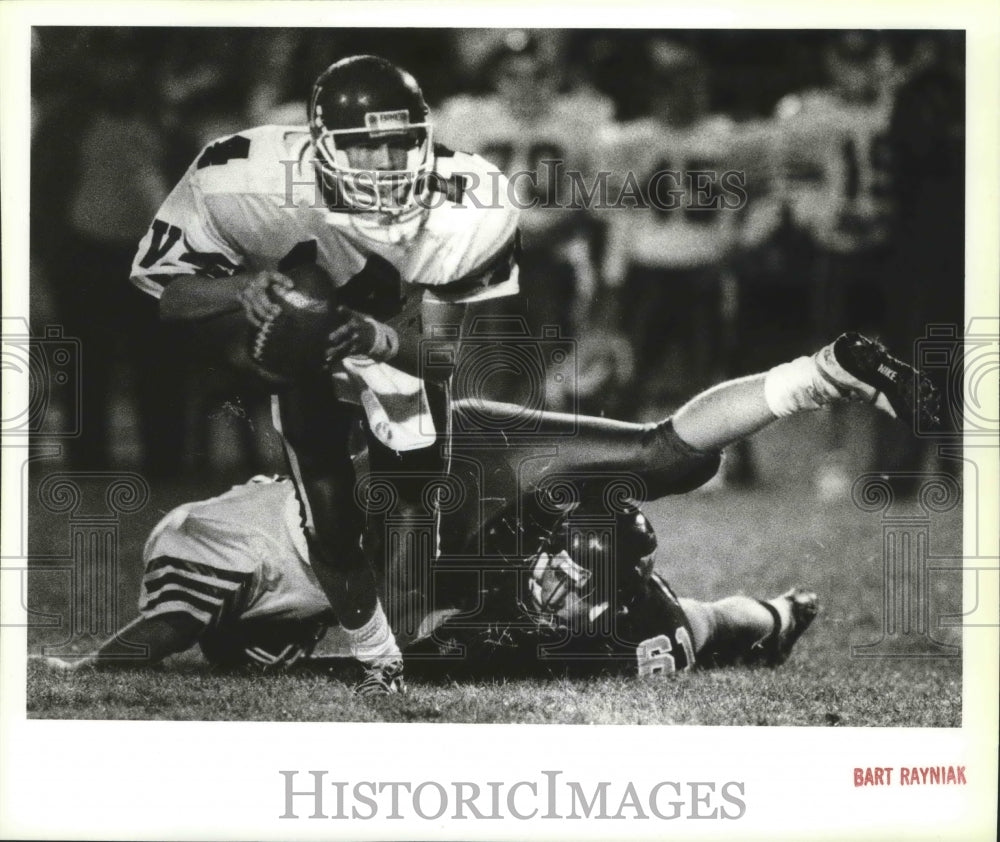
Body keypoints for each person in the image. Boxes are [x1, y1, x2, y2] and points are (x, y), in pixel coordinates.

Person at [42, 331, 938, 680]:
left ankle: (823, 378)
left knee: (535, 635)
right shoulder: (599, 602)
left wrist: (78, 674)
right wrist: (771, 614)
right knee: (658, 561)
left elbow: (155, 639)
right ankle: (824, 373)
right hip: (456, 501)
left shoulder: (212, 551)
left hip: (444, 482)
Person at [128, 55, 521, 695]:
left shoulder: (464, 198)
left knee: (417, 500)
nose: (390, 165)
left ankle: (410, 645)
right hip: (299, 335)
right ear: (320, 144)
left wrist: (377, 337)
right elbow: (166, 297)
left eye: (402, 143)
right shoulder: (240, 179)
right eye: (368, 147)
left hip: (398, 341)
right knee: (332, 519)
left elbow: (455, 361)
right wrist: (242, 287)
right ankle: (376, 655)